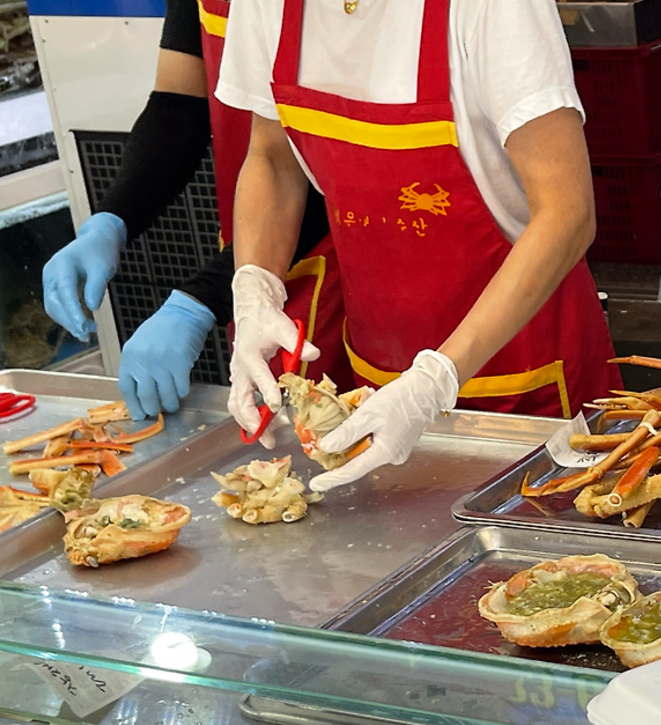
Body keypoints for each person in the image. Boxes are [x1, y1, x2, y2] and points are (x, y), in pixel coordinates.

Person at [216, 0, 620, 491]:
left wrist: (436, 379)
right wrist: (255, 285)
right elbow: (273, 158)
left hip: (524, 382)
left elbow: (568, 213)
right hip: (374, 378)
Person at [41, 0, 347, 421]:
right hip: (252, 257)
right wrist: (111, 220)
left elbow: (330, 169)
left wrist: (200, 299)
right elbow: (178, 106)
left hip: (347, 254)